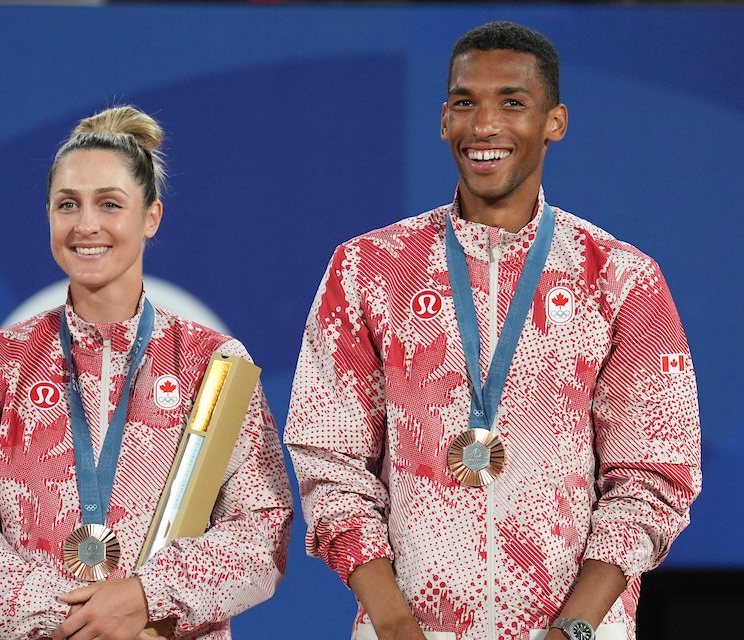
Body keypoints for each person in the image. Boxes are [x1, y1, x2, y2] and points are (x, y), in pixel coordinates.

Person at [284, 21, 699, 640]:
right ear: (444, 120)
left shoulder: (618, 276)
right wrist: (394, 621)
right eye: (464, 103)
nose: (484, 127)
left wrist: (575, 628)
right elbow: (330, 460)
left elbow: (654, 475)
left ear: (554, 122)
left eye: (512, 102)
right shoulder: (368, 268)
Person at [0, 105, 292, 640]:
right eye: (68, 205)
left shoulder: (215, 364)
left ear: (151, 217)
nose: (86, 224)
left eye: (109, 204)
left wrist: (144, 599)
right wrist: (72, 619)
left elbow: (262, 526)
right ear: (48, 215)